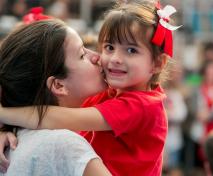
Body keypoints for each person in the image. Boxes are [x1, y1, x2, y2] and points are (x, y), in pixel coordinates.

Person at [0, 1, 181, 175]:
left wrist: (4, 114)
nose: (114, 58)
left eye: (131, 50)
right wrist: (5, 129)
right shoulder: (109, 95)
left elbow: (56, 118)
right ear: (57, 85)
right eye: (109, 47)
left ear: (158, 63)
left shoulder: (144, 106)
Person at [0, 19, 111, 176]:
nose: (97, 57)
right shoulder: (64, 144)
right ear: (58, 85)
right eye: (82, 54)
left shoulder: (13, 140)